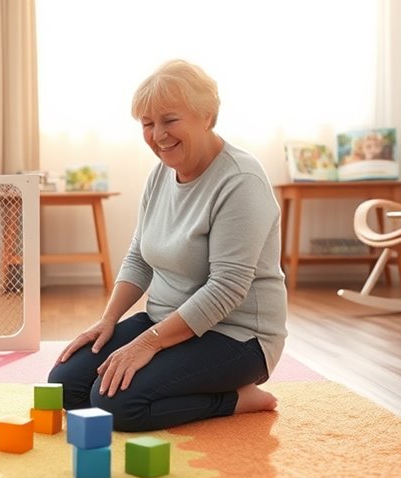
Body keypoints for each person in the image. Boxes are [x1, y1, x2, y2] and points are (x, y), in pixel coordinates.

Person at [48, 60, 288, 431]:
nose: (158, 135)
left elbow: (227, 288)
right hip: (166, 321)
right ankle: (180, 376)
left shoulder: (241, 181)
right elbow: (139, 258)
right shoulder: (161, 172)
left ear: (206, 116)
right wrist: (108, 321)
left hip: (237, 336)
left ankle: (237, 399)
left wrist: (148, 344)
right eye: (147, 123)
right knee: (66, 385)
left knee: (115, 404)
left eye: (169, 120)